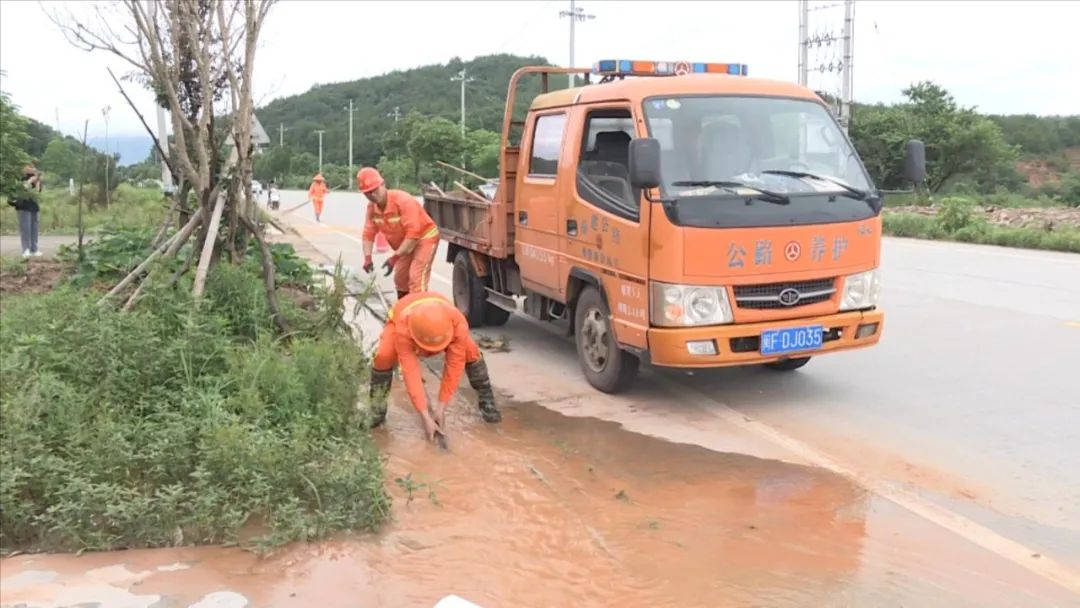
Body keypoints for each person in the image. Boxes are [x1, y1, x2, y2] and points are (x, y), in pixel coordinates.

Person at [369, 291, 502, 441]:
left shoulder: (458, 324)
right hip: (401, 317)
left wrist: (441, 408)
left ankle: (487, 401)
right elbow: (410, 373)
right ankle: (377, 409)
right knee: (384, 356)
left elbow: (454, 367)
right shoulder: (403, 328)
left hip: (443, 323)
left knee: (471, 352)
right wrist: (425, 416)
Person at [358, 166, 440, 299]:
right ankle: (404, 313)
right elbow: (368, 233)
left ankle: (419, 315)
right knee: (400, 280)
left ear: (383, 185)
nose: (372, 195)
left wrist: (394, 258)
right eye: (367, 193)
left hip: (424, 238)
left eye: (375, 190)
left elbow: (413, 234)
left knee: (416, 278)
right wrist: (367, 258)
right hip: (404, 245)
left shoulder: (402, 201)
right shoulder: (372, 208)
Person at [7, 165, 43, 258]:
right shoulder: (20, 179)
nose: (32, 169)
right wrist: (30, 181)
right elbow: (23, 189)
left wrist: (38, 180)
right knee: (25, 229)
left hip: (34, 206)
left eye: (33, 168)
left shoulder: (36, 179)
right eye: (29, 168)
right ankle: (25, 249)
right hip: (23, 206)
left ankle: (34, 249)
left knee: (34, 229)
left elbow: (38, 191)